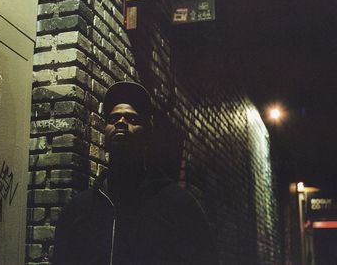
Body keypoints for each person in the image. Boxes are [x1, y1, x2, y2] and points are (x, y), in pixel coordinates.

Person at [53, 81, 217, 265]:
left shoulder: (179, 206)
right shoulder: (78, 209)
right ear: (104, 132)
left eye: (132, 119)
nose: (121, 123)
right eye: (113, 119)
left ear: (148, 133)